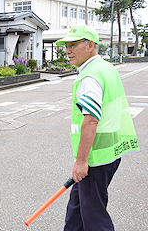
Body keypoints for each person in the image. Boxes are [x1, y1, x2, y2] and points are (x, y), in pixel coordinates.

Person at [56, 24, 139, 230]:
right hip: (109, 152)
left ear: (90, 45)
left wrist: (82, 161)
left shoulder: (90, 76)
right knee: (77, 207)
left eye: (73, 45)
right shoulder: (106, 68)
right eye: (66, 45)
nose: (67, 50)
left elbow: (91, 119)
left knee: (94, 216)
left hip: (96, 158)